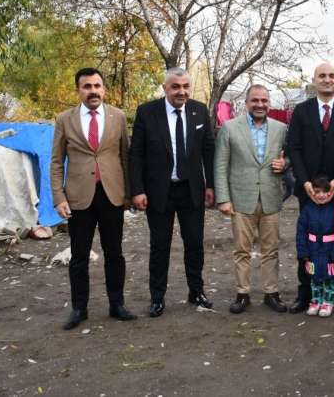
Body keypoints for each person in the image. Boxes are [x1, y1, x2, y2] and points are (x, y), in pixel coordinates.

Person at [50, 68, 136, 330]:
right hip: (78, 198)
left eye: (97, 86)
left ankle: (117, 304)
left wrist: (129, 194)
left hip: (112, 195)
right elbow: (56, 161)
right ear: (79, 90)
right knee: (78, 256)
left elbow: (125, 156)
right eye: (87, 86)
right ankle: (79, 309)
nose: (93, 91)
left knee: (114, 254)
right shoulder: (65, 119)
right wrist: (58, 197)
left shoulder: (118, 117)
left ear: (104, 89)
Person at [129, 67, 215, 317]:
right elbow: (136, 154)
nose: (182, 91)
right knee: (159, 246)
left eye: (186, 86)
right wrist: (137, 189)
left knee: (195, 244)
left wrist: (210, 185)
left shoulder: (199, 110)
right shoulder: (147, 112)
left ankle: (196, 291)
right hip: (159, 191)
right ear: (165, 88)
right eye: (176, 87)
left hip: (192, 190)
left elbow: (209, 150)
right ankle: (157, 298)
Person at [287, 63, 334, 314]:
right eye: (322, 75)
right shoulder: (301, 111)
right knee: (309, 241)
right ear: (314, 80)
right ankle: (306, 293)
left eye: (332, 75)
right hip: (309, 190)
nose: (327, 79)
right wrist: (305, 181)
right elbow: (294, 148)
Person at [214, 85, 288, 314]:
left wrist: (286, 164)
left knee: (271, 249)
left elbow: (292, 154)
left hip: (271, 197)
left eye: (264, 100)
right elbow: (220, 165)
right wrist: (223, 199)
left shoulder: (281, 128)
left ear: (269, 103)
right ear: (246, 103)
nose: (260, 104)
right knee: (242, 250)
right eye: (255, 100)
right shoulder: (229, 128)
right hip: (240, 199)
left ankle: (271, 293)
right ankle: (243, 293)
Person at [295, 176, 334, 318]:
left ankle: (328, 302)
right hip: (313, 250)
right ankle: (315, 301)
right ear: (312, 192)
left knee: (331, 278)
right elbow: (301, 231)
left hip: (331, 251)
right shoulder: (307, 209)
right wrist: (303, 251)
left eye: (325, 192)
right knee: (314, 278)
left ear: (330, 192)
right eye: (318, 192)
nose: (321, 195)